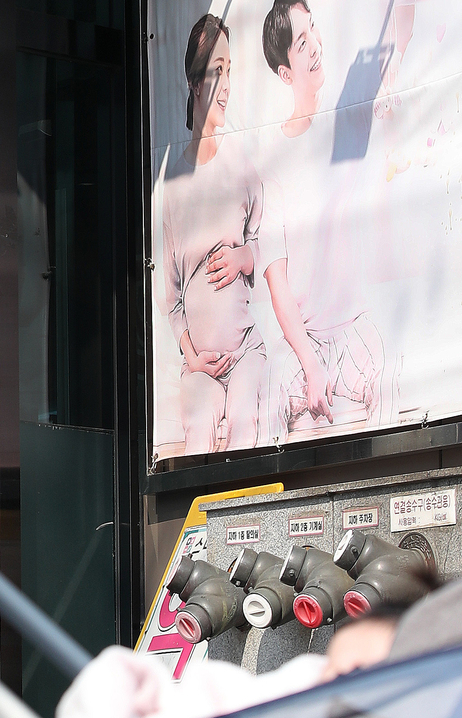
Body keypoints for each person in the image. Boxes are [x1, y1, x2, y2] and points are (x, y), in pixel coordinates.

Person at [259, 0, 387, 436]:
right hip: (306, 340)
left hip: (356, 326)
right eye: (301, 42)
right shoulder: (273, 161)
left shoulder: (345, 117)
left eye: (313, 31)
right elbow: (276, 280)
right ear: (284, 73)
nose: (315, 46)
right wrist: (310, 365)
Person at [161, 14, 268, 454]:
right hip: (199, 367)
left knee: (245, 422)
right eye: (215, 71)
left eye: (230, 70)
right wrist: (192, 357)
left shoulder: (242, 162)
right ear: (193, 81)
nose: (225, 85)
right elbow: (169, 298)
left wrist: (245, 258)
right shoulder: (170, 184)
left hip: (244, 351)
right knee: (198, 432)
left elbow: (270, 244)